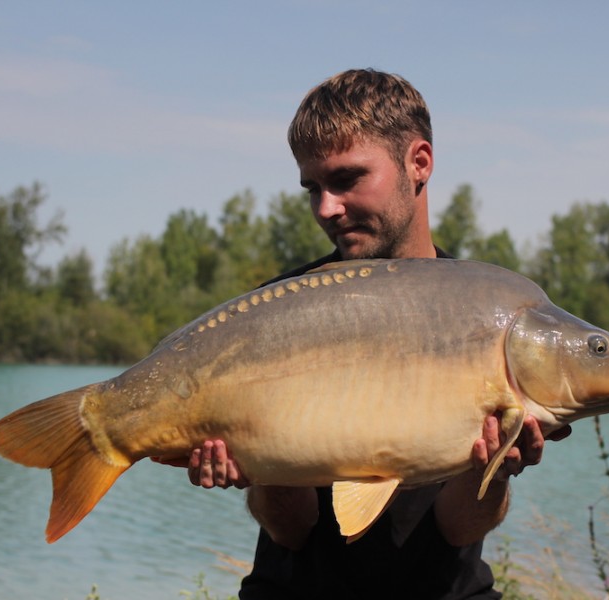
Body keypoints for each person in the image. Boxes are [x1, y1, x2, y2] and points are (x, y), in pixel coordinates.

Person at [158, 68, 571, 599]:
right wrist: (257, 468)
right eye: (314, 188)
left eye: (348, 179)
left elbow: (459, 530)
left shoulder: (484, 313)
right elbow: (292, 530)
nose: (326, 208)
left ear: (418, 163)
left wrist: (493, 468)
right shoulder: (280, 309)